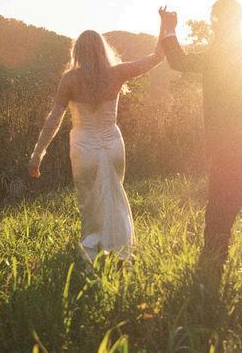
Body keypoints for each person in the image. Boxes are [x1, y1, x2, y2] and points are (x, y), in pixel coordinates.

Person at [158, 0, 242, 265]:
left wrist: (169, 28)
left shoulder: (225, 51)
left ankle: (213, 265)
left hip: (230, 148)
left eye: (214, 18)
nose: (212, 24)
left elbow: (179, 61)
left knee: (219, 211)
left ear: (223, 20)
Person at [28, 30, 163, 262]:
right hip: (113, 146)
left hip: (84, 148)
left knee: (89, 203)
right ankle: (120, 253)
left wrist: (38, 153)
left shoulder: (69, 79)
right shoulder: (118, 72)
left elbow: (54, 118)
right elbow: (157, 57)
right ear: (102, 49)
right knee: (114, 196)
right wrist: (166, 27)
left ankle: (93, 254)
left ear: (77, 51)